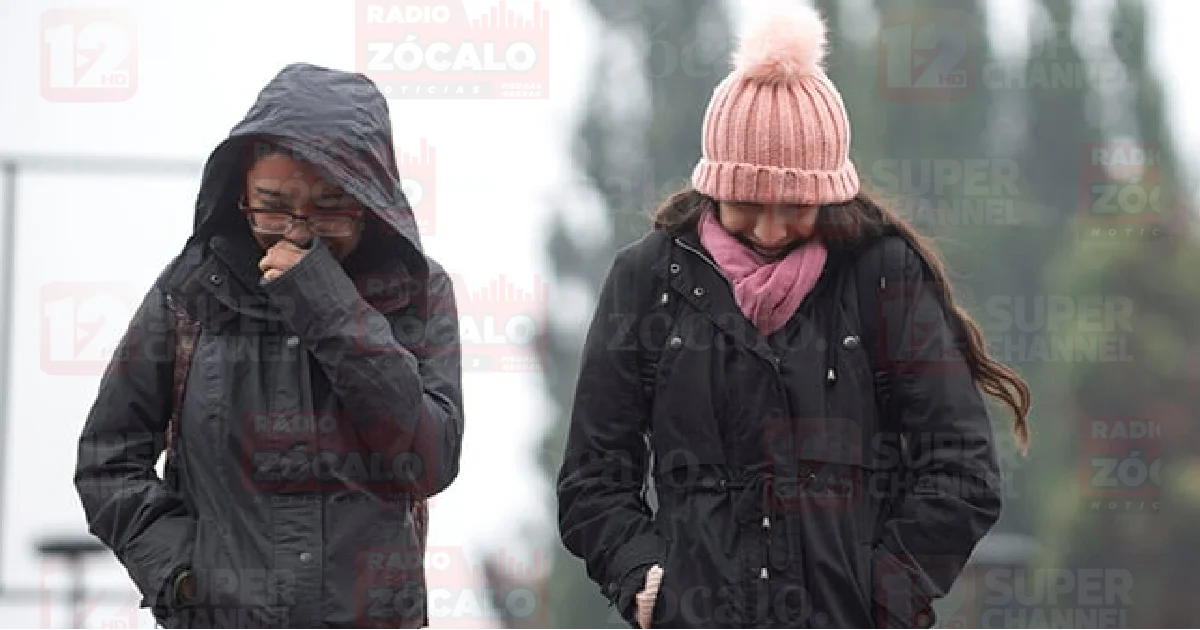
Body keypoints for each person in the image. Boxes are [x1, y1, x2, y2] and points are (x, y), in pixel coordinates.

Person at [556, 5, 1031, 630]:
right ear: (712, 186)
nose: (772, 230)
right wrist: (643, 578)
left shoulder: (882, 276)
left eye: (797, 207)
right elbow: (592, 478)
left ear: (832, 194)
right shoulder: (646, 281)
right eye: (748, 205)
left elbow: (964, 470)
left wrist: (885, 592)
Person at [74, 63, 465, 630]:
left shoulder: (417, 293)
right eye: (272, 204)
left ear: (370, 196)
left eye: (330, 206)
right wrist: (185, 576)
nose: (295, 230)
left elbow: (429, 459)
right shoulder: (189, 292)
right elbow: (106, 460)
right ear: (239, 190)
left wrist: (327, 303)